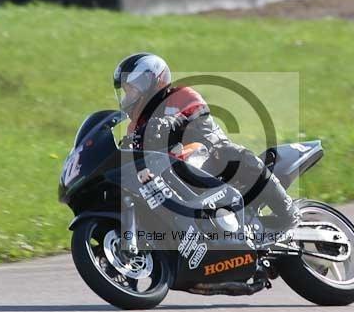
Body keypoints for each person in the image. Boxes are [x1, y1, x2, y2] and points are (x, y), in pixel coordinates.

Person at [113, 52, 301, 234]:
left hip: (210, 152)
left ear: (152, 81)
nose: (129, 95)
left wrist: (170, 123)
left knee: (237, 156)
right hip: (173, 174)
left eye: (132, 88)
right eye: (127, 91)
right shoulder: (135, 127)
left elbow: (197, 111)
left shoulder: (180, 95)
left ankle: (289, 214)